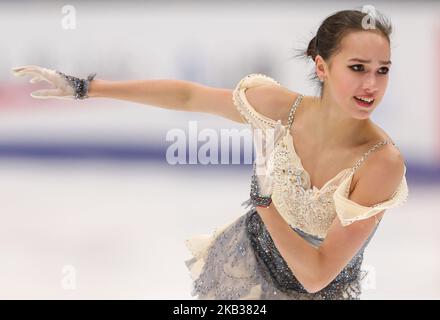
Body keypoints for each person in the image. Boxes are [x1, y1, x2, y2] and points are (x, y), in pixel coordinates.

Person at [11, 8, 409, 300]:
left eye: (383, 70)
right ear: (321, 67)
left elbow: (317, 275)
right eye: (358, 67)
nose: (372, 84)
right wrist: (89, 89)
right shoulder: (280, 109)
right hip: (243, 268)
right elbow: (189, 95)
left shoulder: (380, 163)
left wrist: (265, 202)